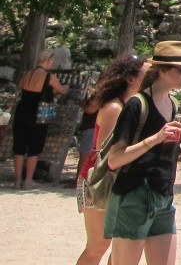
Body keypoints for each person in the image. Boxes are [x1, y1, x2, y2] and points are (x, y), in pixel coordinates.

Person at [104, 41, 181, 265]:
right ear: (163, 70)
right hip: (134, 196)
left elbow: (156, 154)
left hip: (164, 197)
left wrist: (179, 149)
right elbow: (115, 158)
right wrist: (156, 138)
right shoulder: (137, 105)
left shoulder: (172, 104)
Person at [75, 53, 151, 265]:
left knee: (121, 244)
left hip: (118, 180)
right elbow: (104, 153)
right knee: (98, 245)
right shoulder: (115, 108)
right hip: (98, 181)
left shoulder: (134, 105)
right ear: (130, 78)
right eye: (147, 73)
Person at [12, 48, 69, 189]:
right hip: (38, 114)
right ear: (48, 61)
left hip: (22, 111)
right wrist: (65, 88)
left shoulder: (27, 74)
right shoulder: (49, 77)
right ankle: (28, 181)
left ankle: (17, 179)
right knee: (34, 148)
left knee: (19, 148)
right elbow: (62, 90)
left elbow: (20, 90)